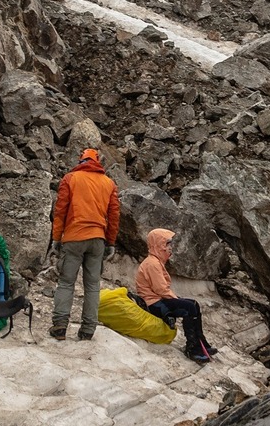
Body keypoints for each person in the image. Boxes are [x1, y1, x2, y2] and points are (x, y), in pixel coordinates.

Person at [50, 147, 120, 341]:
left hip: (73, 238)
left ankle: (60, 326)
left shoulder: (70, 179)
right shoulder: (109, 183)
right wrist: (111, 242)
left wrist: (56, 238)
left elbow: (60, 211)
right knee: (92, 286)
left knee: (66, 283)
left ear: (81, 160)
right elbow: (114, 216)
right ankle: (88, 330)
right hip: (97, 239)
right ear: (98, 162)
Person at [134, 227, 213, 363]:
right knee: (189, 307)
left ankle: (201, 343)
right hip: (153, 303)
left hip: (157, 300)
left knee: (193, 304)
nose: (170, 247)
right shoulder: (152, 264)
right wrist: (176, 299)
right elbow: (161, 290)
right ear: (159, 245)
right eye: (167, 244)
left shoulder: (155, 261)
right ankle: (192, 348)